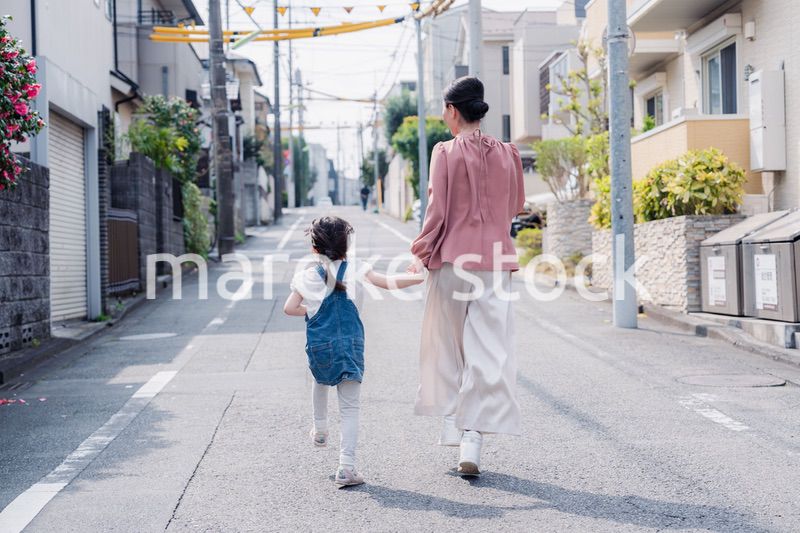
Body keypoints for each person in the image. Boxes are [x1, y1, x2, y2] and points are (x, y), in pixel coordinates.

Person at [407, 77, 526, 476]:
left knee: (446, 348)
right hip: (495, 262)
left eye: (444, 109)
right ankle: (471, 440)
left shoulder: (444, 152)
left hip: (452, 261)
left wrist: (421, 253)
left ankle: (454, 425)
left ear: (453, 111)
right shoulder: (509, 154)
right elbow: (515, 206)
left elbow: (437, 213)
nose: (443, 116)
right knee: (487, 352)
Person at [284, 216, 423, 487]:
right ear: (346, 246)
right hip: (350, 345)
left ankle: (320, 428)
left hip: (319, 344)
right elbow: (388, 282)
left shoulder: (305, 277)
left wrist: (311, 311)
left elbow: (289, 308)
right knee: (349, 408)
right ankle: (346, 467)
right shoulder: (357, 268)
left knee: (319, 379)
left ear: (314, 249)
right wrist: (417, 276)